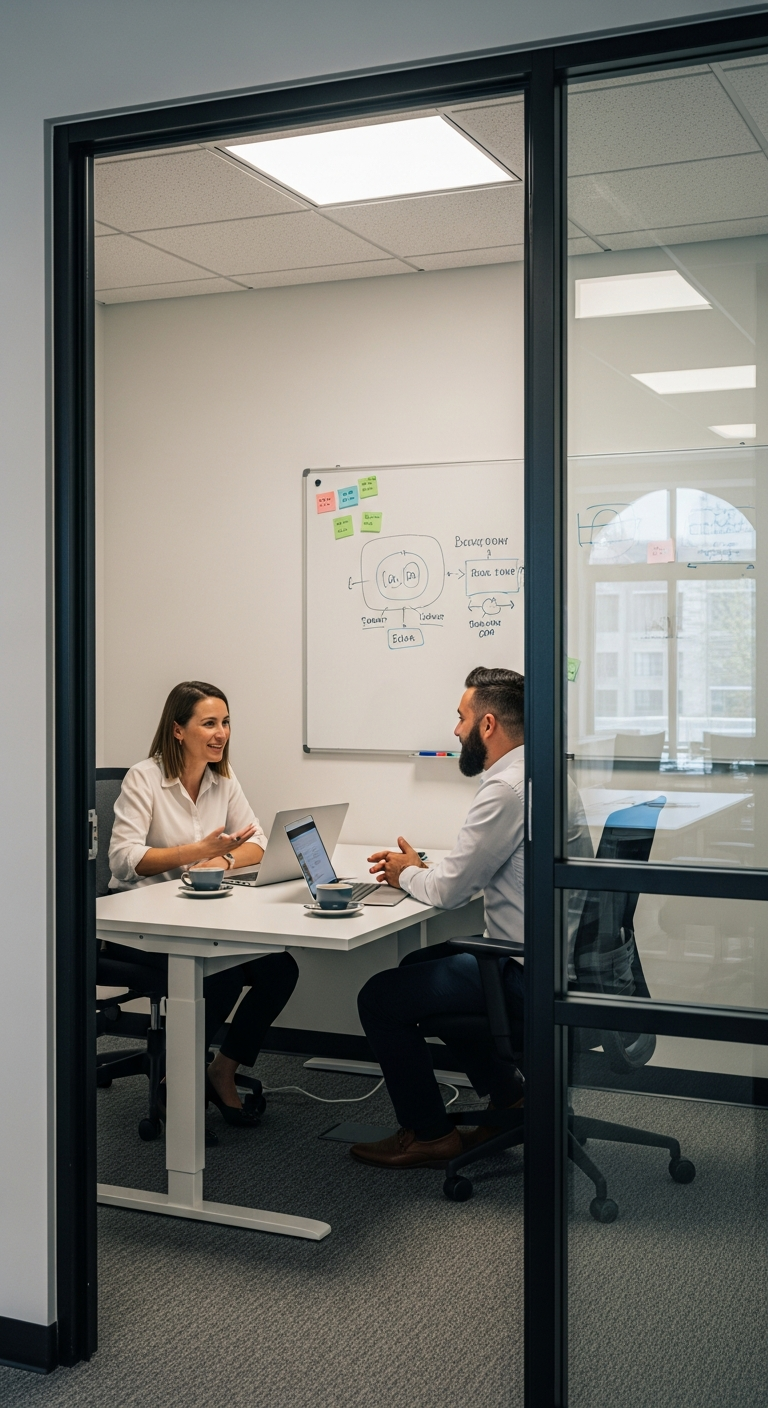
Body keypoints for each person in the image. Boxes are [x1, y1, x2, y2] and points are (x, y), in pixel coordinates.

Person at [351, 666, 526, 1170]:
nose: (455, 730)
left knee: (379, 998)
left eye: (461, 718)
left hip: (522, 969)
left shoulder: (505, 790)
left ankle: (430, 1135)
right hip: (551, 957)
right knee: (417, 966)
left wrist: (404, 874)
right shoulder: (539, 774)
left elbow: (450, 893)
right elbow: (475, 871)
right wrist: (421, 871)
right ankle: (509, 1097)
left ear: (488, 724)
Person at [108, 680, 298, 1127]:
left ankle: (221, 1070)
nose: (221, 733)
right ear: (178, 730)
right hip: (137, 924)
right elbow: (123, 859)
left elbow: (258, 843)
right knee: (221, 971)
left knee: (280, 968)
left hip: (197, 916)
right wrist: (197, 851)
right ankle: (175, 1078)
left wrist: (221, 858)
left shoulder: (222, 779)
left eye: (225, 722)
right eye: (209, 723)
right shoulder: (144, 778)